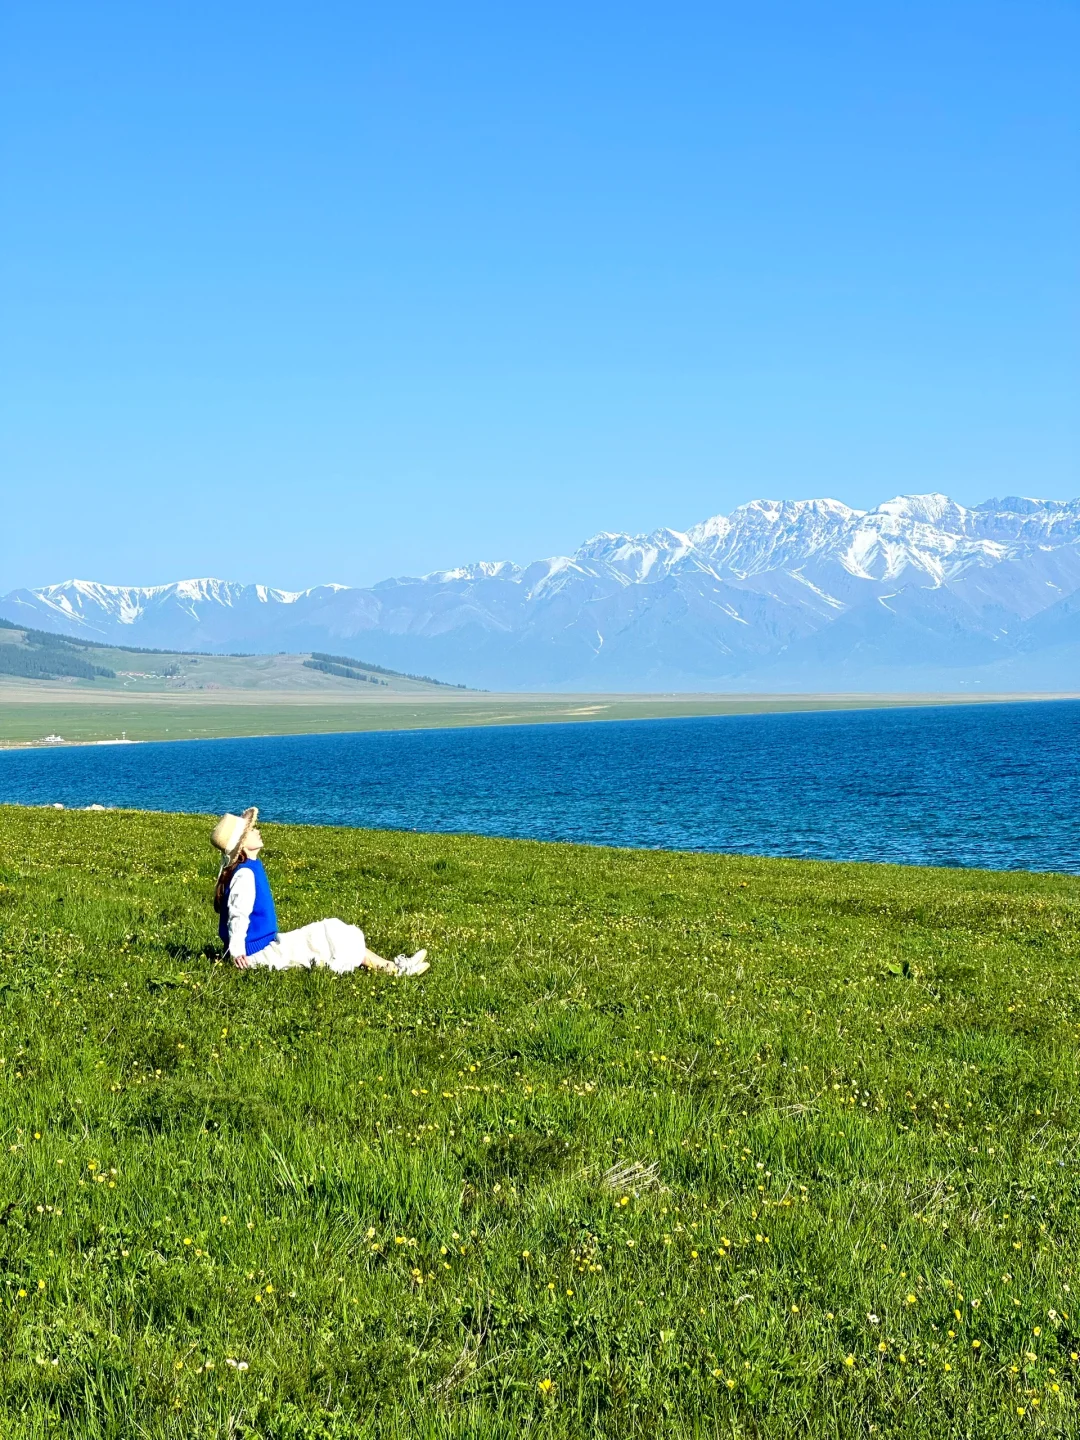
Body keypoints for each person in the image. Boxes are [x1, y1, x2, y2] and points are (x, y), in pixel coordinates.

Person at [211, 808, 429, 976]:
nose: (257, 830)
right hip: (258, 955)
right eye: (250, 831)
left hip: (266, 944)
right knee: (325, 939)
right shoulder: (245, 875)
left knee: (332, 929)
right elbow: (238, 914)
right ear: (242, 845)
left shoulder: (249, 868)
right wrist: (237, 951)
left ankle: (390, 967)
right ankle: (393, 970)